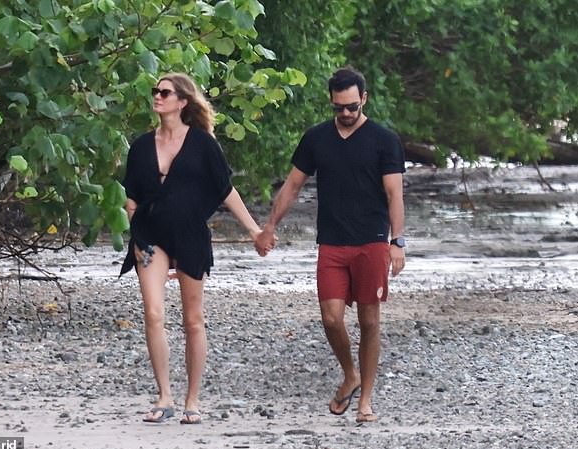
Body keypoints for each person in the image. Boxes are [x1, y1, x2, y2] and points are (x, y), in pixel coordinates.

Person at [255, 66, 406, 423]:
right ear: (331, 102)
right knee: (331, 317)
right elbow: (292, 185)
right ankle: (350, 373)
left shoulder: (385, 140)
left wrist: (396, 241)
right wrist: (270, 226)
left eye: (352, 106)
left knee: (369, 322)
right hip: (332, 243)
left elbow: (394, 193)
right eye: (339, 107)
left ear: (364, 99)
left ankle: (365, 398)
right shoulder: (316, 138)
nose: (346, 114)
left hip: (372, 241)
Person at [120, 72, 266, 425]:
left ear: (182, 102)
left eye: (164, 92)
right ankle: (164, 395)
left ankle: (192, 399)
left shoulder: (202, 144)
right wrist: (130, 224)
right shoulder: (141, 146)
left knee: (192, 320)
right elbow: (130, 196)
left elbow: (225, 190)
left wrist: (255, 231)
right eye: (155, 90)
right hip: (150, 234)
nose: (157, 96)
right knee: (153, 312)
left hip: (189, 236)